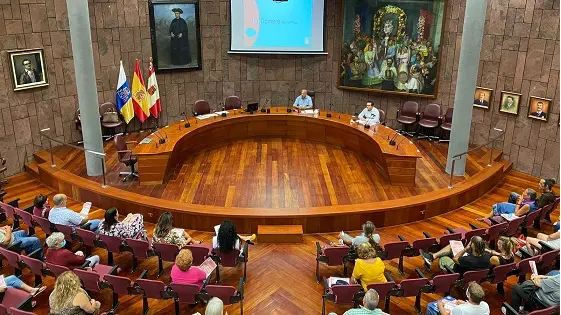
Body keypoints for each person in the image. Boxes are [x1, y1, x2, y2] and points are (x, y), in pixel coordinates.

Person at [420, 236, 491, 274]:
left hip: (457, 271)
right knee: (452, 246)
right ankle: (431, 257)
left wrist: (466, 249)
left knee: (443, 257)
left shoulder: (467, 259)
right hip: (471, 271)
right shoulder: (487, 256)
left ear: (472, 245)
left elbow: (455, 258)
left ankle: (432, 258)